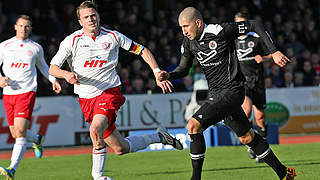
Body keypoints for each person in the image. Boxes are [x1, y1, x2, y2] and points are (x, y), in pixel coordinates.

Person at [48, 1, 183, 180]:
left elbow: (142, 50)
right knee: (120, 148)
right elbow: (53, 68)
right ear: (80, 21)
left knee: (95, 129)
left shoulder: (112, 36)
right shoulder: (71, 41)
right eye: (86, 17)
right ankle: (159, 137)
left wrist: (157, 71)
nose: (91, 19)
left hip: (109, 92)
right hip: (86, 99)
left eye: (93, 15)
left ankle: (98, 177)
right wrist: (65, 74)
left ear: (98, 16)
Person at [158, 7, 296, 180]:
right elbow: (183, 69)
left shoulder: (219, 31)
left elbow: (255, 24)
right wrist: (169, 75)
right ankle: (284, 173)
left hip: (233, 90)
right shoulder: (188, 43)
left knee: (193, 126)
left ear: (198, 23)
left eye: (186, 26)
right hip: (218, 94)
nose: (184, 31)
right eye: (181, 27)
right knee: (247, 138)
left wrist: (273, 51)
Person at [0, 15, 62, 180]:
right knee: (15, 132)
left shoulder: (35, 47)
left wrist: (53, 80)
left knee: (20, 132)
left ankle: (12, 169)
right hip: (8, 94)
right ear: (15, 26)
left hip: (26, 92)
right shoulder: (4, 46)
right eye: (21, 26)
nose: (23, 29)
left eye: (27, 26)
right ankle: (36, 139)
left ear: (30, 28)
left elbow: (44, 67)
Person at [234, 12, 273, 163]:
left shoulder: (256, 38)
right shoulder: (232, 41)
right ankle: (251, 145)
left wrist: (263, 58)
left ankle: (262, 147)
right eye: (238, 23)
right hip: (242, 82)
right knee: (246, 109)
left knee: (261, 118)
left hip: (258, 81)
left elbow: (271, 54)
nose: (241, 27)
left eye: (243, 23)